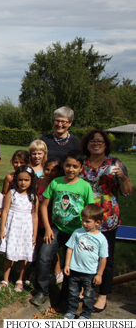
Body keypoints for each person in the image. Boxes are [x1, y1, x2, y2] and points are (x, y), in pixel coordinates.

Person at [31, 150, 95, 307]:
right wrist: (47, 228)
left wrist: (87, 232)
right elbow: (44, 206)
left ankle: (66, 296)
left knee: (72, 264)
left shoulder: (85, 186)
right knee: (44, 256)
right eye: (68, 165)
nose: (71, 169)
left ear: (81, 168)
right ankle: (42, 291)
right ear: (63, 166)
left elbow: (90, 210)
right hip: (56, 229)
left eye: (75, 166)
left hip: (77, 232)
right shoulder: (56, 183)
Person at [80, 130, 133, 313]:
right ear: (87, 144)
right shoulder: (81, 163)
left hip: (107, 217)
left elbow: (127, 191)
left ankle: (103, 295)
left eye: (100, 141)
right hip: (84, 216)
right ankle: (84, 288)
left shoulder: (115, 163)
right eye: (92, 140)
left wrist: (122, 177)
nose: (96, 143)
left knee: (105, 257)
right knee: (84, 254)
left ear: (106, 144)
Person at [0, 165, 39, 293]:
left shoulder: (33, 197)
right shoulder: (12, 193)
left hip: (26, 229)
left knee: (24, 255)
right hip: (12, 228)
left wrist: (34, 235)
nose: (23, 183)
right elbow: (5, 211)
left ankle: (20, 280)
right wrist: (2, 229)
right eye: (20, 180)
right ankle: (5, 279)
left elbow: (35, 216)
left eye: (26, 180)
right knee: (9, 255)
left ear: (31, 181)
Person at [63, 205, 108, 320]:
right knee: (73, 293)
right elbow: (70, 248)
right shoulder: (77, 233)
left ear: (97, 223)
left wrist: (99, 274)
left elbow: (103, 258)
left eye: (88, 221)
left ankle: (86, 314)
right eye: (82, 220)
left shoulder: (101, 239)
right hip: (75, 270)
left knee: (88, 295)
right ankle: (71, 311)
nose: (84, 223)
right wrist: (67, 264)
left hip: (90, 273)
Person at [34, 158, 64, 285]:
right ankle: (37, 270)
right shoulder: (40, 181)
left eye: (54, 170)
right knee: (39, 246)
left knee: (48, 247)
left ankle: (58, 273)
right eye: (47, 169)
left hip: (50, 220)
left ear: (59, 172)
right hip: (38, 218)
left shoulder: (58, 184)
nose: (50, 172)